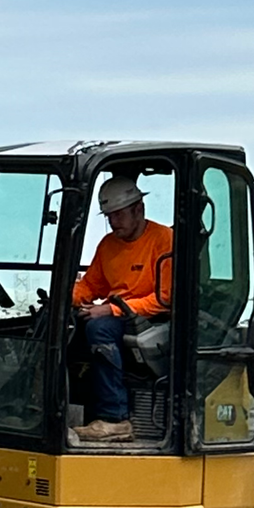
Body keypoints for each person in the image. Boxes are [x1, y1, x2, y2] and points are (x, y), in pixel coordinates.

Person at [71, 176, 173, 442]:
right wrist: (67, 297)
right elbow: (93, 284)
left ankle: (115, 418)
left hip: (151, 317)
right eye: (109, 216)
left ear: (139, 209)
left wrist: (111, 311)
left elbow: (164, 298)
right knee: (67, 327)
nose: (114, 222)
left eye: (118, 215)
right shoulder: (108, 245)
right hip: (119, 313)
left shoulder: (164, 240)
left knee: (99, 329)